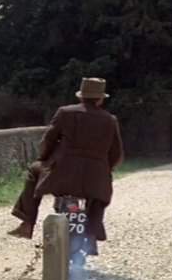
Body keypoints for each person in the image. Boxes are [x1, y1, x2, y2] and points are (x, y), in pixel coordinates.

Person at [8, 77, 124, 241]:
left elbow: (48, 140)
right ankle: (94, 227)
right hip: (94, 179)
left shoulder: (65, 112)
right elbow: (117, 154)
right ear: (100, 99)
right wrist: (106, 169)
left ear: (81, 96)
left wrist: (44, 159)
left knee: (34, 171)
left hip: (61, 174)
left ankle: (27, 223)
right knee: (101, 188)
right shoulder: (110, 120)